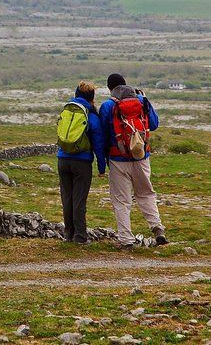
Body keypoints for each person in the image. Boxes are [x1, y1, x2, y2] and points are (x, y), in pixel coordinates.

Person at [99, 73, 168, 248]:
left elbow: (103, 135)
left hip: (117, 159)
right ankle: (157, 228)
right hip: (141, 157)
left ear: (110, 88)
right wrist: (145, 100)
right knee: (146, 193)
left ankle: (126, 240)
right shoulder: (140, 100)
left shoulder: (108, 105)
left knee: (121, 201)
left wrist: (102, 160)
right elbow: (153, 123)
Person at [57, 81, 106, 244]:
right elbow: (98, 143)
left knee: (67, 198)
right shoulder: (91, 116)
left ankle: (68, 234)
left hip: (63, 159)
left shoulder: (68, 110)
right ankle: (80, 236)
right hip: (82, 162)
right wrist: (101, 166)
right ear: (92, 98)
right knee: (79, 200)